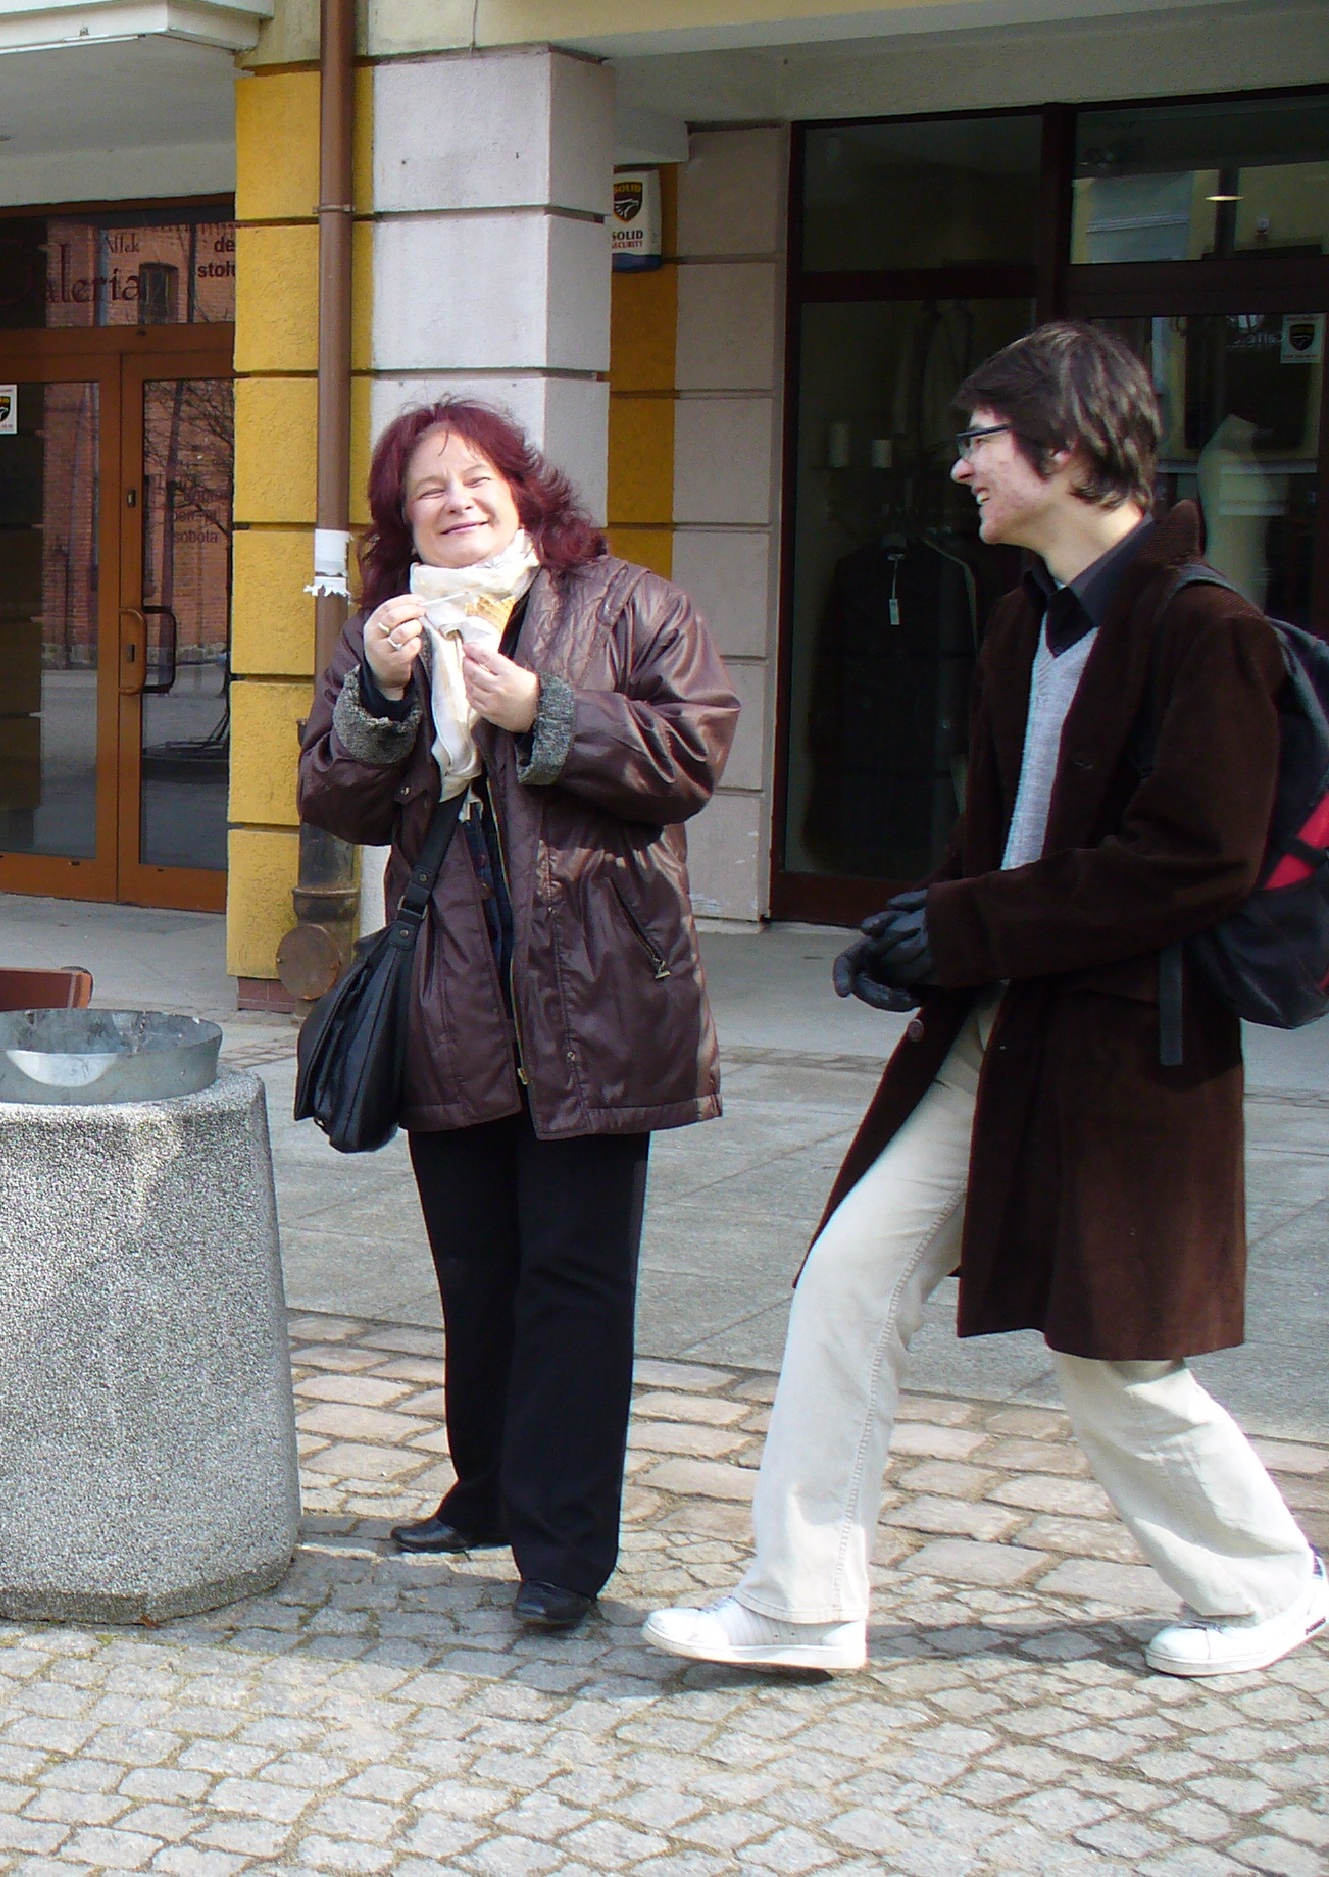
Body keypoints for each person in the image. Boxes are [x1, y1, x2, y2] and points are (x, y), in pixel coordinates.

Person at [646, 322, 1327, 1679]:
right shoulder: (1025, 620)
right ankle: (802, 1601)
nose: (959, 467)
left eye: (980, 441)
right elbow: (1002, 839)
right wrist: (918, 938)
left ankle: (1268, 1584)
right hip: (994, 1037)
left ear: (1065, 451)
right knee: (845, 1282)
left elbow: (1185, 864)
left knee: (1114, 1356)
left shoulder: (1208, 631)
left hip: (1126, 1057)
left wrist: (962, 928)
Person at [299, 401, 737, 1632]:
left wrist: (542, 710)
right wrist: (382, 693)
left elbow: (690, 753)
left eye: (474, 478)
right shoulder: (385, 631)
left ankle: (562, 1549)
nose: (454, 502)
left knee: (574, 1279)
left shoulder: (627, 604)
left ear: (522, 488)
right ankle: (486, 1487)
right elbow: (331, 797)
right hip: (450, 991)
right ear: (400, 521)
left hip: (595, 988)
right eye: (425, 490)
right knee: (475, 1268)